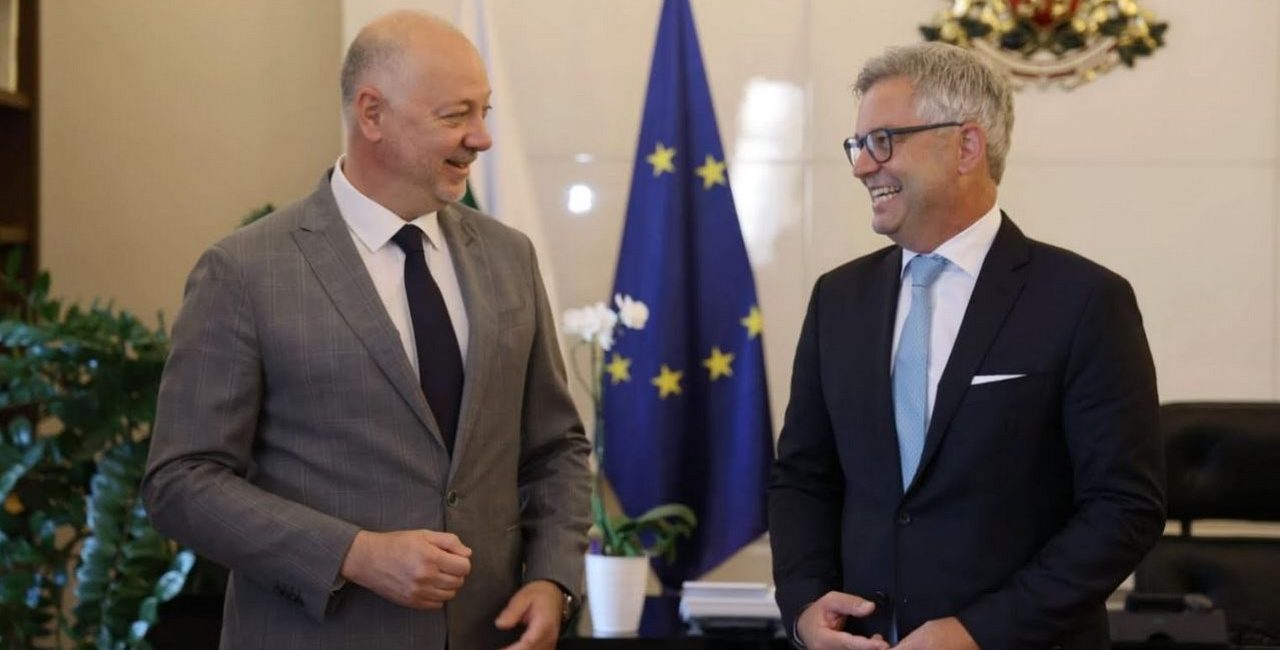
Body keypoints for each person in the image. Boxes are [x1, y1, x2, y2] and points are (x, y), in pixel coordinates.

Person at [141, 10, 590, 649]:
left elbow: (555, 448)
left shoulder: (509, 255)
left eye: (484, 112)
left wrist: (553, 580)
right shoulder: (244, 271)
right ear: (372, 114)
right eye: (455, 115)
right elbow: (180, 482)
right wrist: (353, 554)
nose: (481, 138)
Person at [768, 42, 1165, 650]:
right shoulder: (838, 299)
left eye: (883, 141)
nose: (861, 167)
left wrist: (978, 631)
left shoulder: (1084, 300)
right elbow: (802, 478)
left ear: (967, 146)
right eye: (858, 145)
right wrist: (803, 607)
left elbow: (1123, 507)